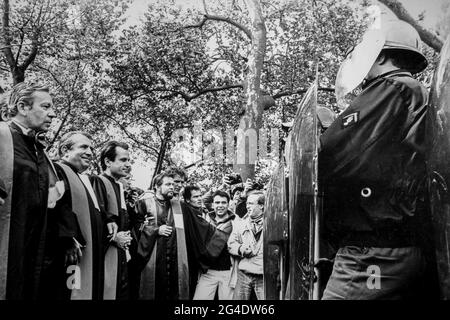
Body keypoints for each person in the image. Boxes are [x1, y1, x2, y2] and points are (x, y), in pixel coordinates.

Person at [319, 20, 437, 300]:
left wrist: (322, 136)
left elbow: (332, 154)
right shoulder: (416, 92)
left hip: (371, 252)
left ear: (381, 55)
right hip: (405, 245)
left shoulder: (390, 88)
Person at [0, 82, 57, 300]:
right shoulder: (2, 135)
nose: (52, 114)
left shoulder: (38, 149)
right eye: (45, 106)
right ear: (23, 107)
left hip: (33, 248)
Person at [135, 172, 230, 300]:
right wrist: (155, 230)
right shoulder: (143, 204)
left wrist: (220, 238)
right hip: (152, 259)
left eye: (173, 184)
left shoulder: (180, 206)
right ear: (157, 186)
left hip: (177, 261)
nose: (172, 187)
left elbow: (199, 225)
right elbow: (134, 227)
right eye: (168, 184)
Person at [44, 131, 114, 300]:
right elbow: (54, 205)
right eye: (83, 147)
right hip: (68, 254)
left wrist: (109, 220)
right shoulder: (55, 170)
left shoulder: (83, 179)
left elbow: (92, 211)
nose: (90, 152)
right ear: (64, 150)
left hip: (88, 254)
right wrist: (67, 237)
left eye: (91, 148)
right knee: (69, 290)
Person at [91, 141, 133, 300]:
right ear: (108, 161)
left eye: (129, 160)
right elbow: (95, 219)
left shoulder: (118, 186)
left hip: (119, 254)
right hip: (105, 254)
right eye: (123, 160)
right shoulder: (98, 182)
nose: (128, 164)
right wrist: (113, 237)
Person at [194, 190, 235, 300]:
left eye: (223, 202)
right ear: (212, 204)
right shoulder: (204, 219)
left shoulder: (236, 221)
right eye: (217, 203)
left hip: (228, 273)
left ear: (228, 204)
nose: (220, 205)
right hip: (208, 272)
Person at [228, 191, 265, 300]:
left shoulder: (272, 224)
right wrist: (240, 249)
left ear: (262, 206)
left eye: (251, 204)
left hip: (263, 276)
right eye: (247, 203)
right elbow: (231, 244)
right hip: (244, 274)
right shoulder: (241, 224)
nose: (247, 206)